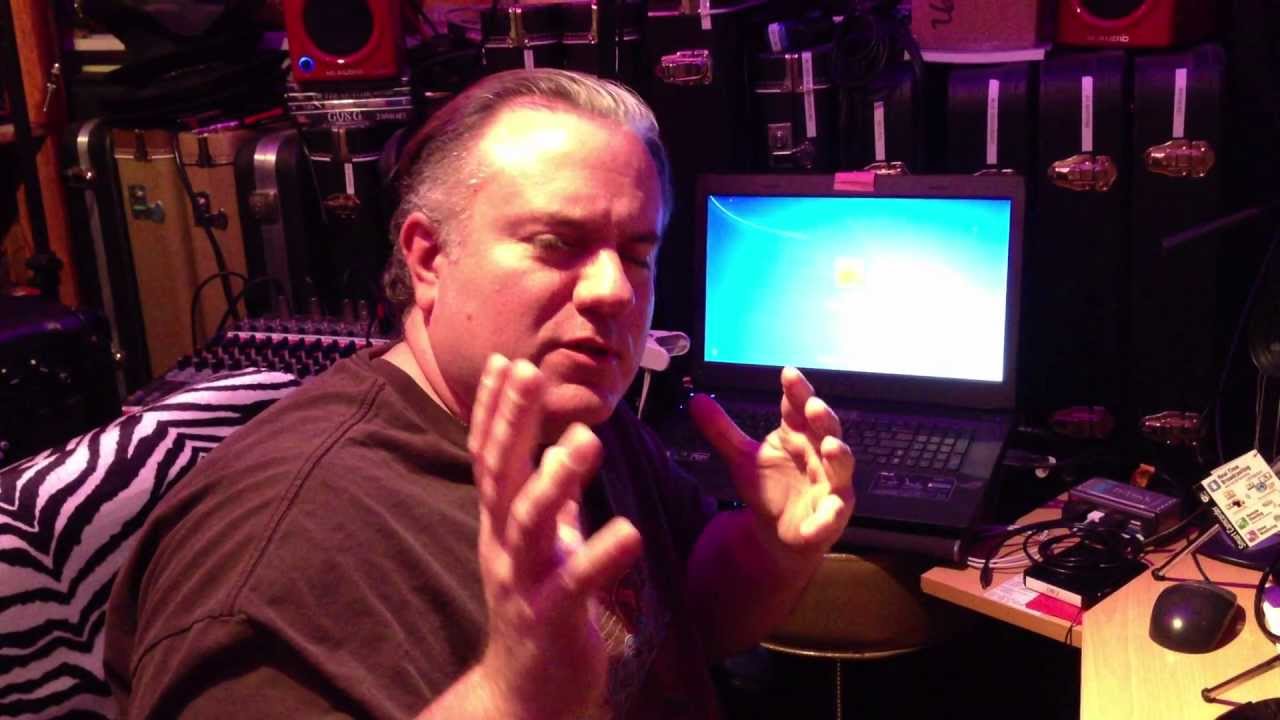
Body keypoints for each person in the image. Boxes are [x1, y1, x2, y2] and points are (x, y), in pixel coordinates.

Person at [104, 68, 854, 719]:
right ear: (428, 258)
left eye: (636, 254)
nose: (614, 291)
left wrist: (770, 548)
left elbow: (691, 623)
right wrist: (507, 698)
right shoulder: (274, 553)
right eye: (557, 244)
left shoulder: (579, 414)